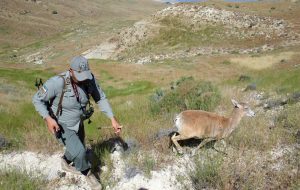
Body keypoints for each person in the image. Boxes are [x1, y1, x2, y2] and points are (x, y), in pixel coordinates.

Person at [32, 56, 122, 190]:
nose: (83, 79)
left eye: (84, 75)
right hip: (61, 125)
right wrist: (48, 119)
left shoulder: (90, 80)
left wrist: (112, 118)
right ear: (71, 71)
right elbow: (37, 99)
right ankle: (88, 173)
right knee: (80, 152)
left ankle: (65, 161)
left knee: (77, 146)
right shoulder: (57, 82)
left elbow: (101, 98)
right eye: (79, 75)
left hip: (78, 122)